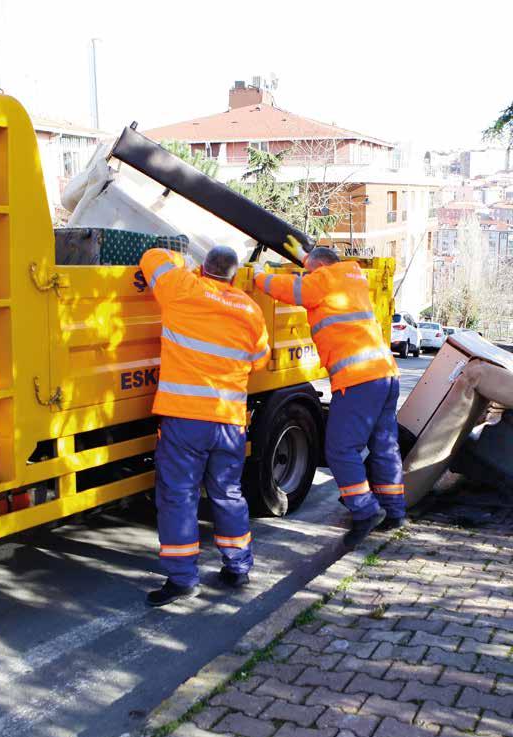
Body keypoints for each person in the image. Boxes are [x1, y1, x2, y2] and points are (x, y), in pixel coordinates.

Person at [136, 245, 269, 607]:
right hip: (228, 421)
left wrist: (184, 263)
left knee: (179, 495)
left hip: (185, 420)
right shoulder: (249, 309)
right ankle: (238, 566)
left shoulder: (181, 288)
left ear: (204, 267)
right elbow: (260, 361)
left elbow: (152, 257)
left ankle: (182, 579)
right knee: (227, 493)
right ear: (235, 274)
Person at [253, 237, 406, 544]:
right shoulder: (351, 277)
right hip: (385, 375)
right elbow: (312, 276)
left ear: (320, 267)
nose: (307, 276)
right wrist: (302, 259)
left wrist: (257, 275)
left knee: (339, 449)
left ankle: (364, 510)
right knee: (384, 446)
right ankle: (394, 509)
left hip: (359, 379)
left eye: (309, 271)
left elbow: (291, 290)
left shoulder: (323, 280)